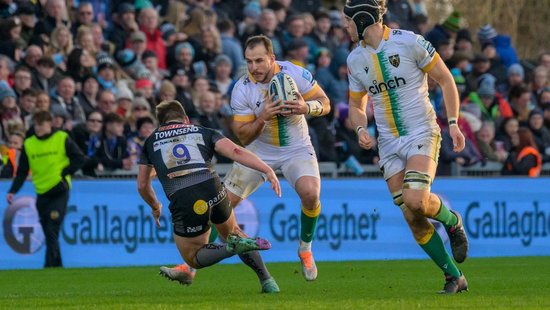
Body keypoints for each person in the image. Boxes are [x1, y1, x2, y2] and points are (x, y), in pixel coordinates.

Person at [160, 34, 331, 282]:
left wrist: (307, 108)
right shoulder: (242, 89)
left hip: (296, 148)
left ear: (272, 58)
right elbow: (243, 137)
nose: (253, 67)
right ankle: (191, 266)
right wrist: (263, 116)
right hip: (258, 152)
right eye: (249, 62)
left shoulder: (295, 73)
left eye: (259, 61)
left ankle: (305, 249)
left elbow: (326, 103)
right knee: (219, 209)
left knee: (311, 194)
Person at [343, 0, 469, 294]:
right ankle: (454, 277)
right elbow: (355, 104)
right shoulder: (354, 59)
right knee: (412, 217)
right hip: (387, 143)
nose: (345, 26)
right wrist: (361, 127)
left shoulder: (410, 42)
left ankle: (452, 221)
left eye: (348, 20)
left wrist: (453, 123)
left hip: (421, 132)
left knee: (416, 200)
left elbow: (446, 80)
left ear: (362, 20)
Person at [138, 100, 282, 293]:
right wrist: (266, 169)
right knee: (235, 232)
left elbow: (142, 185)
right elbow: (235, 151)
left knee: (193, 257)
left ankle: (230, 248)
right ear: (186, 120)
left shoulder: (151, 142)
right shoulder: (202, 131)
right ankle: (268, 282)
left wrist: (155, 206)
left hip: (185, 197)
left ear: (160, 123)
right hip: (214, 189)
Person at [6, 111, 85, 267]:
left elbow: (79, 158)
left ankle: (48, 264)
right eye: (35, 125)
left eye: (41, 124)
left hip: (59, 190)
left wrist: (65, 172)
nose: (38, 128)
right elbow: (22, 171)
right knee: (49, 231)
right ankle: (57, 264)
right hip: (42, 192)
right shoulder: (29, 144)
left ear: (50, 123)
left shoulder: (61, 138)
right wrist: (13, 190)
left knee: (52, 226)